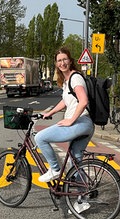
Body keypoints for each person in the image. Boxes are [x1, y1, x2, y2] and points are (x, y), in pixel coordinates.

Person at [35, 47, 94, 184]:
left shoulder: (75, 78)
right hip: (86, 125)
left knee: (40, 137)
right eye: (59, 60)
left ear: (70, 60)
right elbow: (65, 101)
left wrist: (70, 120)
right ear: (56, 64)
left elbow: (83, 101)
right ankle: (82, 199)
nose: (62, 63)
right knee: (75, 161)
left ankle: (54, 169)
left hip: (80, 122)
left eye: (64, 59)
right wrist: (50, 112)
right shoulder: (68, 80)